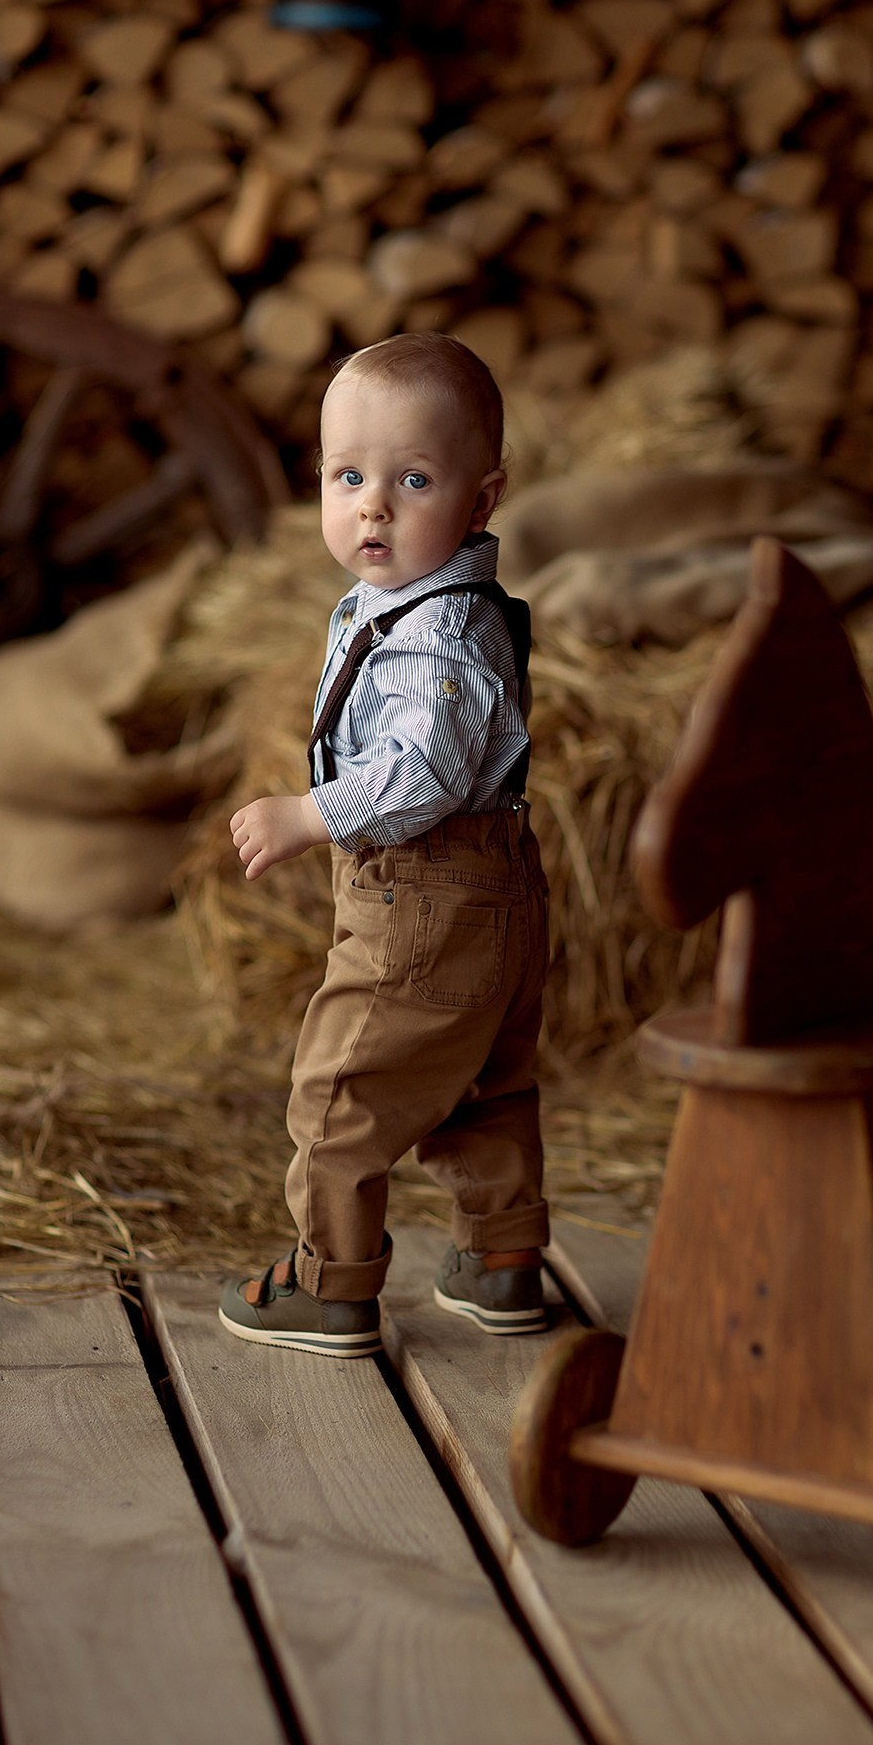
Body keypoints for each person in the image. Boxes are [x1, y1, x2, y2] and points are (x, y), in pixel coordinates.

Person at [218, 333, 550, 1357]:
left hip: (424, 890)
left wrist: (306, 815)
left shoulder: (434, 637)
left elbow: (424, 774)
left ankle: (331, 1284)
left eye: (412, 480)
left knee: (341, 1089)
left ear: (479, 501)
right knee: (481, 1080)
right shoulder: (406, 602)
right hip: (492, 884)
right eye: (347, 476)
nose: (372, 506)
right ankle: (500, 1261)